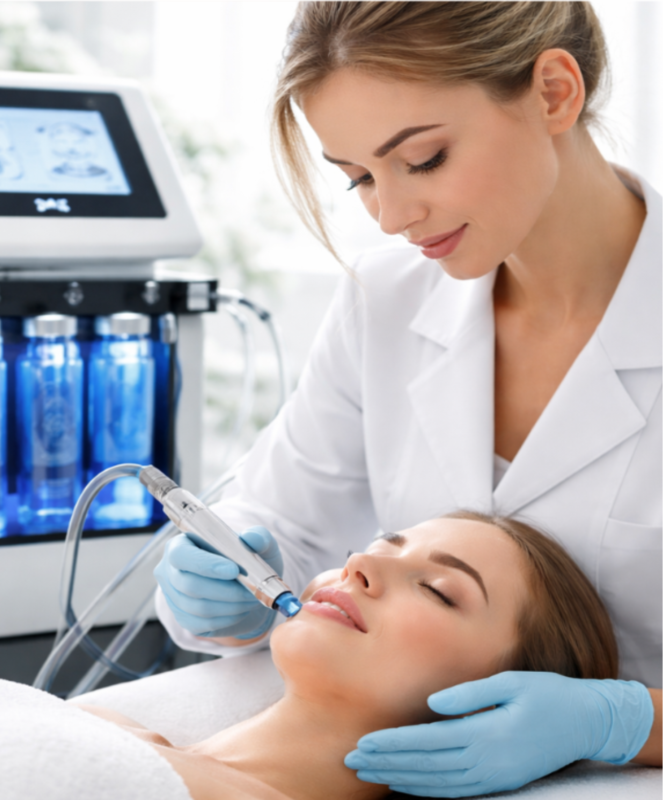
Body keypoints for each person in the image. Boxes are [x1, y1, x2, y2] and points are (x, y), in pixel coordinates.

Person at [154, 2, 663, 795]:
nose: (391, 216)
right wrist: (225, 582)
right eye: (359, 178)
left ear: (555, 93)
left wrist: (624, 721)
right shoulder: (387, 298)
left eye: (422, 160)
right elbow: (278, 528)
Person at [90, 513, 621, 800]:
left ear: (494, 709)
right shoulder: (106, 727)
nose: (360, 564)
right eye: (375, 547)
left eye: (436, 590)